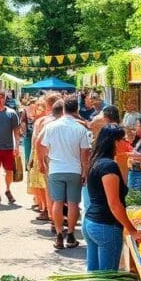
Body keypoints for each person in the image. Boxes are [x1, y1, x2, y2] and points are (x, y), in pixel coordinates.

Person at [83, 125, 141, 271]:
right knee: (107, 278)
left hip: (91, 222)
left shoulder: (96, 161)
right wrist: (131, 229)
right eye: (123, 139)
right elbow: (114, 203)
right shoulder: (109, 166)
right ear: (115, 142)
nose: (126, 142)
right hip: (106, 226)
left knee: (94, 276)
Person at [37, 94, 91, 250]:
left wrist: (43, 162)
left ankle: (59, 234)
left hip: (55, 169)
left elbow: (41, 144)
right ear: (76, 110)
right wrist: (84, 171)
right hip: (74, 169)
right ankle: (71, 234)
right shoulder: (80, 128)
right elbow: (85, 152)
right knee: (74, 203)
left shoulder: (51, 127)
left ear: (64, 108)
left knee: (57, 202)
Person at [32, 94, 63, 222]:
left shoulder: (44, 122)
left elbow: (37, 142)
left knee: (48, 188)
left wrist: (38, 161)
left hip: (47, 158)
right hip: (62, 159)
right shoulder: (68, 121)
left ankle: (51, 215)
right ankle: (59, 218)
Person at [0, 91, 21, 206]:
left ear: (4, 99)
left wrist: (17, 145)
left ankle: (7, 189)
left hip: (8, 147)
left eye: (0, 98)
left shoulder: (11, 113)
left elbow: (16, 131)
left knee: (9, 171)